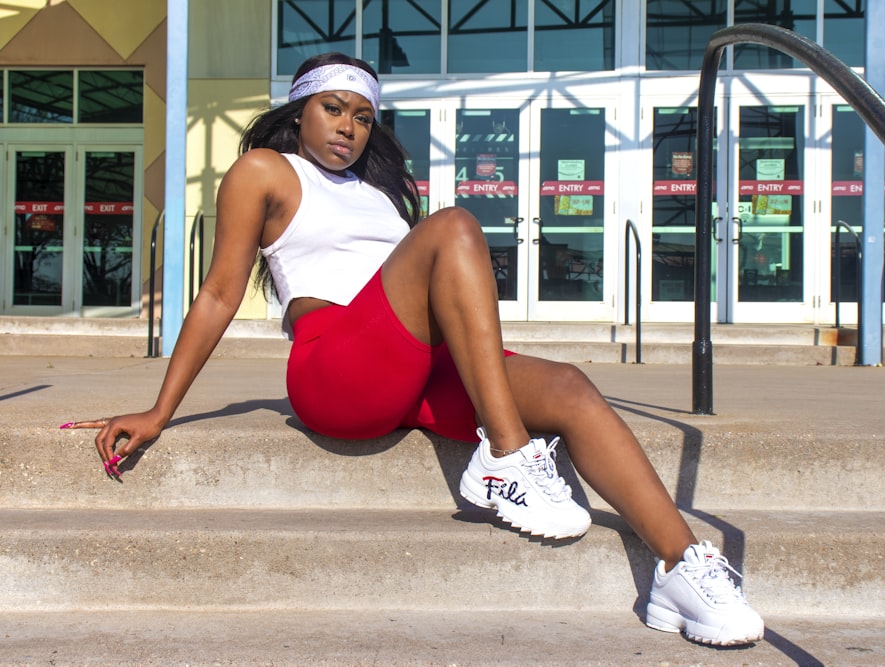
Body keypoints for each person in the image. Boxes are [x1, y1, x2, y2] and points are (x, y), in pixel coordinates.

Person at [63, 52, 764, 647]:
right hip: (334, 368)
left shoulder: (383, 196)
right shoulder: (266, 170)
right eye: (334, 109)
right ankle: (509, 458)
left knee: (572, 388)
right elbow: (218, 293)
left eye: (363, 116)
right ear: (300, 110)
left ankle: (683, 568)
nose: (349, 127)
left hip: (412, 366)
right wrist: (161, 408)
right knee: (456, 225)